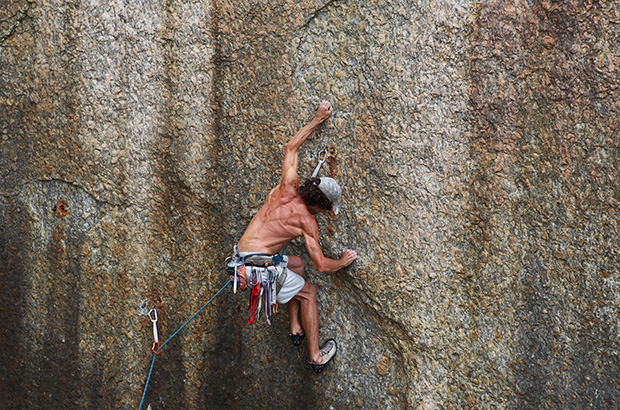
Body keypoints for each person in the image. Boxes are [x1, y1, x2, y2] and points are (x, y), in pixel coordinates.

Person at [234, 100, 357, 372]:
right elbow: (322, 265)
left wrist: (317, 119)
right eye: (327, 210)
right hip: (259, 270)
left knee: (297, 265)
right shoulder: (306, 221)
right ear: (321, 206)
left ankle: (295, 327)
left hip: (241, 260)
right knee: (309, 293)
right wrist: (344, 262)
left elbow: (291, 147)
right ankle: (315, 357)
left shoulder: (286, 186)